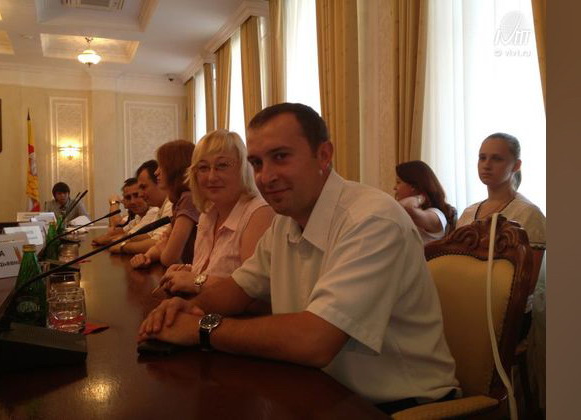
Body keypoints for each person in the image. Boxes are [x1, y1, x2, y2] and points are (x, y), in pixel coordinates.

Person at [138, 103, 459, 413]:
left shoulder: (371, 219)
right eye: (257, 163)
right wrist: (189, 307)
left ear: (324, 155)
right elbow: (238, 289)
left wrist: (201, 328)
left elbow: (314, 341)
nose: (266, 176)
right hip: (319, 389)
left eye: (280, 157)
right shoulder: (285, 222)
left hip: (397, 405)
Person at [456, 132, 546, 413]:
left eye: (496, 159)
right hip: (465, 304)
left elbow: (527, 283)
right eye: (482, 158)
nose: (486, 165)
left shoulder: (528, 214)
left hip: (509, 313)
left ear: (515, 165)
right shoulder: (468, 213)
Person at [156, 129, 275, 295]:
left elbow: (254, 292)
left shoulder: (259, 213)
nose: (211, 177)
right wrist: (188, 271)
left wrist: (196, 280)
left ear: (243, 168)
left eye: (222, 165)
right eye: (203, 167)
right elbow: (213, 273)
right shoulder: (208, 214)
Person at [130, 140, 200, 267]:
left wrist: (163, 248)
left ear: (175, 169)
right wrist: (147, 256)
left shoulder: (188, 199)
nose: (156, 172)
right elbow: (160, 244)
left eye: (161, 166)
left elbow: (170, 258)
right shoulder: (179, 201)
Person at [109, 161, 172, 254]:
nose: (141, 194)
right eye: (127, 197)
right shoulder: (160, 208)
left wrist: (123, 246)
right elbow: (148, 236)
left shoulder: (170, 205)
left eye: (144, 187)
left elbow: (156, 243)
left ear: (159, 183)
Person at [394, 160, 456, 244]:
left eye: (398, 182)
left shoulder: (437, 215)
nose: (395, 187)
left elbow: (407, 206)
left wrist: (421, 197)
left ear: (413, 186)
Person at [92, 177, 156, 246]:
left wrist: (106, 239)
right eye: (128, 198)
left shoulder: (154, 211)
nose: (132, 201)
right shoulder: (138, 217)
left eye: (136, 195)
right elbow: (120, 231)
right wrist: (106, 237)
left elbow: (129, 237)